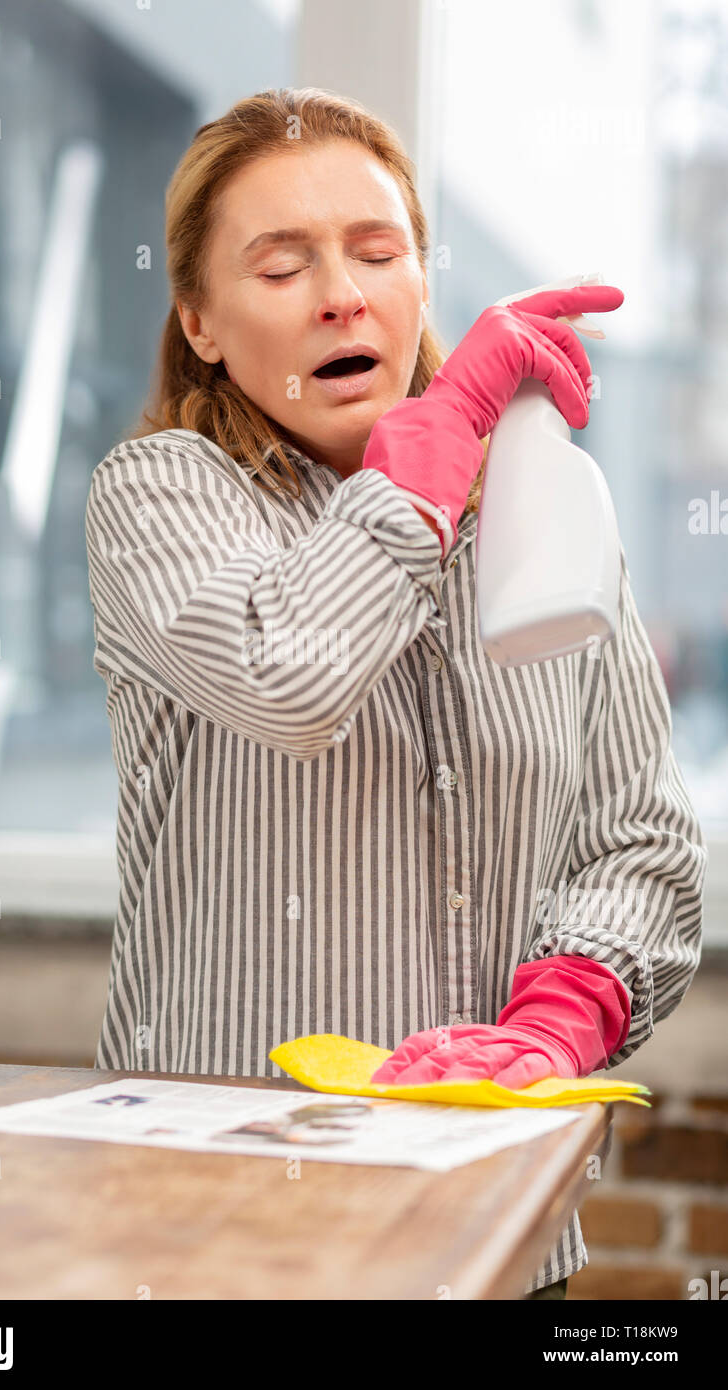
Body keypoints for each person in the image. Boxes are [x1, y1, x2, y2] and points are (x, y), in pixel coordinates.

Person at [84, 87, 708, 1299]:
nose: (340, 292)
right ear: (200, 321)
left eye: (377, 253)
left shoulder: (550, 514)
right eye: (280, 265)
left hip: (492, 1220)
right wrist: (441, 439)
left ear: (421, 281)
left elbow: (640, 840)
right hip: (216, 1226)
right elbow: (289, 676)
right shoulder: (158, 498)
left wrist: (559, 1014)